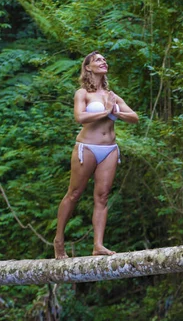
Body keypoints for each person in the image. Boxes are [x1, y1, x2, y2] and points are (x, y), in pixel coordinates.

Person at [54, 51, 139, 259]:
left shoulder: (112, 95)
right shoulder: (82, 93)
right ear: (88, 67)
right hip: (88, 147)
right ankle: (58, 241)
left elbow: (134, 117)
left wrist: (116, 112)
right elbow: (80, 117)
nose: (104, 62)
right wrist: (105, 111)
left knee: (102, 196)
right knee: (74, 193)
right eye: (98, 60)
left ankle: (98, 245)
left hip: (109, 149)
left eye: (104, 59)